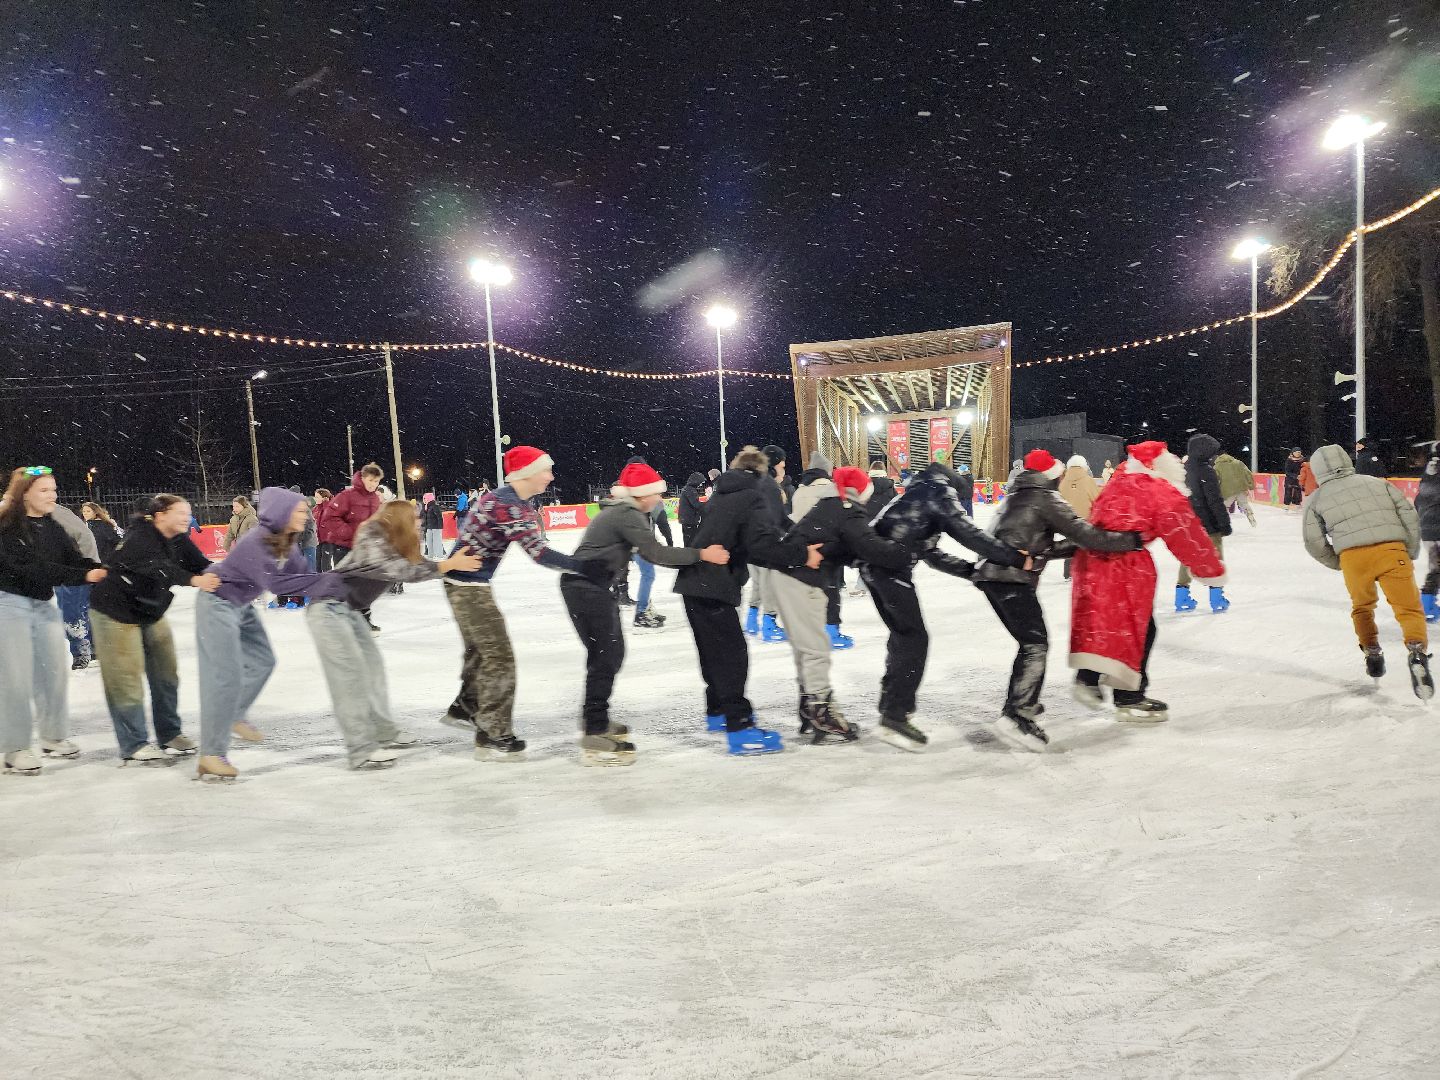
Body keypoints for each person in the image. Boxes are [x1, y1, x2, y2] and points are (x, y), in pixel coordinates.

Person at [973, 449, 1141, 751]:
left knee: (1030, 642)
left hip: (992, 576)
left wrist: (1079, 545)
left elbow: (1044, 548)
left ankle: (1021, 704)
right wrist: (1130, 540)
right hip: (1010, 578)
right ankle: (1017, 714)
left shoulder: (1015, 497)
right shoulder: (1045, 498)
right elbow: (1086, 534)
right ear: (1052, 474)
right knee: (1035, 644)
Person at [442, 445, 604, 761]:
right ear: (528, 473)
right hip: (468, 586)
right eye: (547, 470)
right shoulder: (509, 505)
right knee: (499, 657)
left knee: (483, 651)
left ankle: (468, 706)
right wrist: (583, 566)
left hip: (464, 583)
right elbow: (539, 552)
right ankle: (493, 731)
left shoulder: (508, 500)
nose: (551, 476)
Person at [562, 462, 728, 765]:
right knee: (606, 656)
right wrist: (702, 555)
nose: (660, 499)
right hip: (586, 589)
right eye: (656, 493)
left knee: (608, 655)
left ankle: (595, 721)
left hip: (589, 588)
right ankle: (594, 732)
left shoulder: (624, 511)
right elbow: (656, 553)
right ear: (644, 494)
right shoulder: (627, 514)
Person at [866, 459, 1027, 750]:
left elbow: (930, 552)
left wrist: (970, 571)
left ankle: (892, 703)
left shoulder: (917, 494)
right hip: (887, 568)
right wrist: (1013, 557)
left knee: (903, 635)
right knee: (914, 638)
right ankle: (894, 715)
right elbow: (969, 534)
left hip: (877, 567)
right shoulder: (939, 493)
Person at [675, 446, 821, 755]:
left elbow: (751, 541)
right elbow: (761, 547)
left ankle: (717, 711)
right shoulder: (753, 495)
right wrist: (802, 554)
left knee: (713, 652)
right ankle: (739, 728)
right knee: (732, 656)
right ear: (763, 473)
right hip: (713, 585)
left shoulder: (723, 493)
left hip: (693, 583)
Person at [312, 501, 480, 769]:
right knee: (349, 678)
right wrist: (448, 564)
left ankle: (383, 732)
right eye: (414, 518)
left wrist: (453, 566)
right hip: (327, 609)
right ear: (398, 519)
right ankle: (360, 749)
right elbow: (402, 571)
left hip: (350, 611)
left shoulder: (395, 541)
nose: (419, 522)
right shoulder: (372, 536)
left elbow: (417, 563)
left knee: (374, 671)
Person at [194, 487, 348, 781]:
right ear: (282, 513)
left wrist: (337, 582)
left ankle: (234, 713)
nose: (306, 515)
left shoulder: (286, 542)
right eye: (301, 511)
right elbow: (279, 584)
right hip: (218, 603)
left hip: (240, 604)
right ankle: (211, 754)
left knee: (263, 660)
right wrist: (332, 582)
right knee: (226, 676)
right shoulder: (257, 540)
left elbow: (303, 575)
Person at [1069, 442, 1227, 721]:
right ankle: (1129, 697)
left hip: (1091, 561)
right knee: (1139, 630)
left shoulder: (1117, 483)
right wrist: (1210, 570)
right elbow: (1186, 535)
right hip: (1125, 567)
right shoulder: (1160, 490)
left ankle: (1088, 678)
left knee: (1105, 623)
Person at [772, 466, 910, 743]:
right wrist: (906, 551)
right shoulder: (846, 509)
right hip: (801, 581)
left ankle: (810, 706)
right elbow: (870, 547)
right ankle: (820, 710)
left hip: (789, 578)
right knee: (815, 648)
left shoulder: (830, 506)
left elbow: (843, 547)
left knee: (808, 647)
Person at [89, 494, 221, 764]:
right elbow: (157, 568)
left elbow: (200, 563)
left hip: (150, 610)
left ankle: (170, 733)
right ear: (160, 516)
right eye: (180, 512)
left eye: (188, 512)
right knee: (125, 680)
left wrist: (223, 573)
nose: (187, 517)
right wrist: (194, 580)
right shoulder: (140, 537)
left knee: (166, 673)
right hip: (115, 611)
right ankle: (134, 743)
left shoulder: (178, 539)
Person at [0, 467, 107, 774]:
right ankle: (15, 748)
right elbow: (34, 568)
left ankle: (52, 737)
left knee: (53, 672)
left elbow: (69, 558)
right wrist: (83, 574)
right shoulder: (7, 526)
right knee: (15, 678)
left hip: (42, 604)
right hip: (9, 604)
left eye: (54, 490)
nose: (53, 496)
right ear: (25, 493)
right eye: (45, 490)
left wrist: (98, 567)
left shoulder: (51, 525)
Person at [1303, 444, 1432, 697]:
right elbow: (1408, 515)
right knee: (1408, 607)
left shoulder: (1316, 499)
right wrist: (1410, 549)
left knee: (1362, 606)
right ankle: (1416, 651)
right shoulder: (1376, 483)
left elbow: (1313, 541)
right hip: (1392, 550)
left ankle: (1372, 651)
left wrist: (1339, 561)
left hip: (1353, 557)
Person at [792, 451, 852, 649]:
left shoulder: (799, 491)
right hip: (826, 548)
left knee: (809, 593)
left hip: (803, 550)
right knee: (831, 591)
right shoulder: (830, 489)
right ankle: (831, 632)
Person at [1174, 434, 1233, 613]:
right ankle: (1217, 597)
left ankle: (1181, 596)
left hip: (1188, 523)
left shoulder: (1182, 470)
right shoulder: (1206, 471)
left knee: (1188, 558)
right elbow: (1214, 500)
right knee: (1215, 558)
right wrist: (1224, 523)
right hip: (1208, 524)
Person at [743, 444, 793, 642]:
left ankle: (752, 620)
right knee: (770, 583)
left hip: (748, 543)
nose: (784, 470)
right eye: (782, 466)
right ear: (774, 465)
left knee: (758, 583)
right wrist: (795, 533)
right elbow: (777, 519)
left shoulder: (753, 480)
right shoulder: (769, 485)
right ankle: (770, 624)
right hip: (764, 544)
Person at [325, 464, 384, 629]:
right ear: (363, 478)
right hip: (344, 547)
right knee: (345, 585)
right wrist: (351, 532)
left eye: (376, 481)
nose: (373, 484)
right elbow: (329, 517)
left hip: (365, 549)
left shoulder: (374, 498)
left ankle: (364, 620)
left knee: (365, 585)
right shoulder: (347, 495)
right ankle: (339, 620)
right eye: (370, 480)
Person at [51, 502, 102, 670]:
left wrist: (90, 566)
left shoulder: (54, 511)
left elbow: (84, 536)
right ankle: (93, 648)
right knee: (74, 612)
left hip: (74, 570)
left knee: (71, 614)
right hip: (56, 573)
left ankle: (82, 652)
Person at [1057, 454, 1100, 579]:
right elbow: (1097, 500)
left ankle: (1068, 572)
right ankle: (1085, 571)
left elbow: (1058, 501)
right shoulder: (1088, 480)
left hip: (1068, 521)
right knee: (1086, 546)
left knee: (1071, 544)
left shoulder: (1063, 483)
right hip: (1086, 520)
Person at [1415, 442, 1440, 623]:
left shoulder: (1427, 475)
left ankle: (1427, 605)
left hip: (1427, 530)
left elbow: (1418, 502)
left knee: (1435, 568)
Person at [1214, 451, 1255, 527]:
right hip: (1241, 488)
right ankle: (1250, 515)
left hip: (1227, 490)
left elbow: (1215, 479)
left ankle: (1224, 523)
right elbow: (1248, 473)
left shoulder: (1217, 466)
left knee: (1224, 506)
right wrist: (1250, 485)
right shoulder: (1238, 463)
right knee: (1244, 503)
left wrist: (1215, 490)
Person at [678, 471, 707, 546]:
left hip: (687, 520)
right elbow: (696, 504)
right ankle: (690, 556)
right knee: (691, 543)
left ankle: (689, 555)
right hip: (689, 521)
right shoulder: (690, 490)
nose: (700, 485)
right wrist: (709, 504)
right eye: (700, 482)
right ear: (696, 481)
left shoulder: (688, 489)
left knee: (690, 542)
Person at [314, 487, 339, 571]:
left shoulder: (330, 507)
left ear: (324, 498)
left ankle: (328, 580)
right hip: (318, 540)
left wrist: (326, 503)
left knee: (325, 563)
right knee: (317, 563)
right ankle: (319, 580)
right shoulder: (315, 509)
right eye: (315, 497)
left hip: (328, 540)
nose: (315, 499)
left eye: (317, 497)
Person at [420, 492, 445, 559]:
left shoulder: (434, 506)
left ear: (429, 498)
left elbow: (439, 517)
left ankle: (439, 555)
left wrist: (440, 527)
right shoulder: (426, 507)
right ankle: (430, 555)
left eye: (425, 498)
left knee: (437, 541)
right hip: (429, 527)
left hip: (436, 527)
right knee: (429, 542)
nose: (424, 500)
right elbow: (424, 517)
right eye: (423, 499)